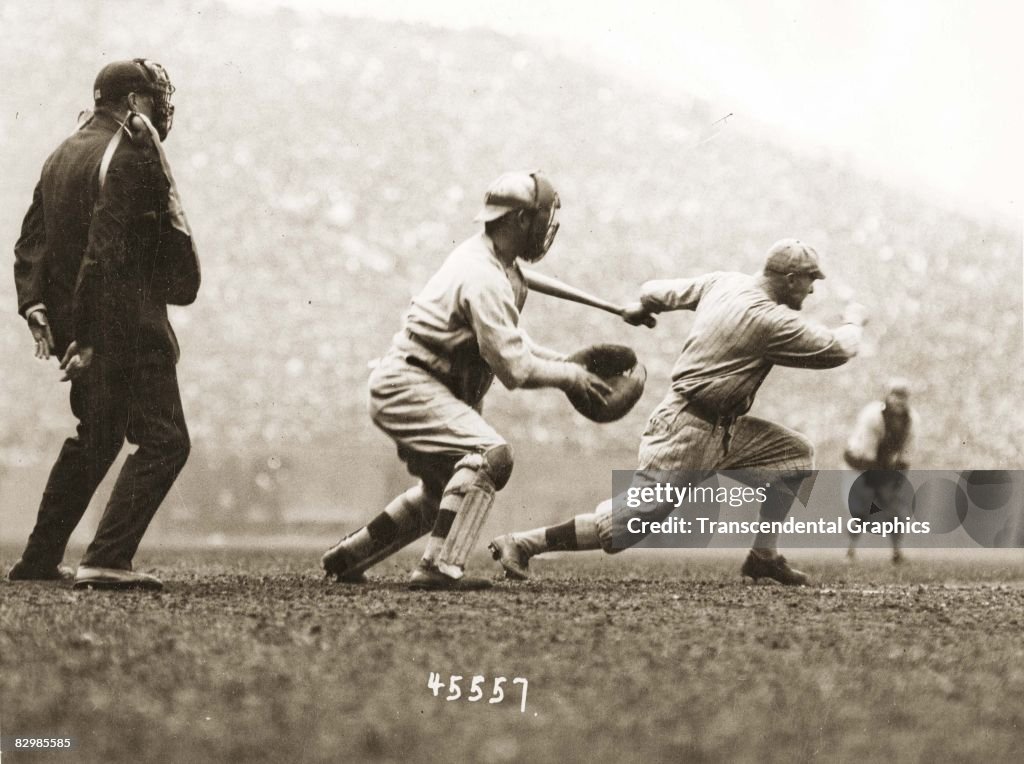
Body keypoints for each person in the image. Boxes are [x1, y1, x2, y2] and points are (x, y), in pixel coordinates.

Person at [489, 239, 867, 586]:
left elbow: (653, 291)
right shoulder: (768, 320)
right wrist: (854, 321)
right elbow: (836, 349)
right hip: (685, 430)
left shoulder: (724, 283)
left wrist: (644, 307)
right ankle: (522, 543)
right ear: (789, 279)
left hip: (724, 430)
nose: (812, 288)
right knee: (625, 526)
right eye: (809, 280)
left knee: (795, 456)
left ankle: (763, 557)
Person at [321, 171, 614, 590]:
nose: (547, 227)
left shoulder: (492, 263)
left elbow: (515, 342)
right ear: (519, 221)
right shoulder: (485, 278)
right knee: (491, 456)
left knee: (443, 493)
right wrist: (570, 375)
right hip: (412, 384)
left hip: (423, 382)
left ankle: (351, 556)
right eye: (541, 217)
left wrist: (567, 362)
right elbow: (515, 369)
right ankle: (439, 567)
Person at [9, 59, 200, 590]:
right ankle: (108, 557)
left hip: (78, 324)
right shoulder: (133, 153)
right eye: (157, 95)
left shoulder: (62, 153)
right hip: (124, 326)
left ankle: (39, 560)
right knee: (165, 440)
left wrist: (35, 307)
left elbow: (31, 242)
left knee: (96, 437)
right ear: (134, 101)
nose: (164, 107)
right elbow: (107, 253)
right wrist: (92, 338)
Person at [844, 378, 916, 563]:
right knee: (861, 508)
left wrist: (895, 484)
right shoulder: (872, 416)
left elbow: (906, 455)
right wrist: (880, 489)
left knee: (896, 510)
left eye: (903, 396)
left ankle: (896, 552)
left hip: (883, 464)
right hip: (858, 462)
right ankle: (850, 551)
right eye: (896, 395)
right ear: (887, 396)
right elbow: (868, 457)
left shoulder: (912, 420)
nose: (899, 400)